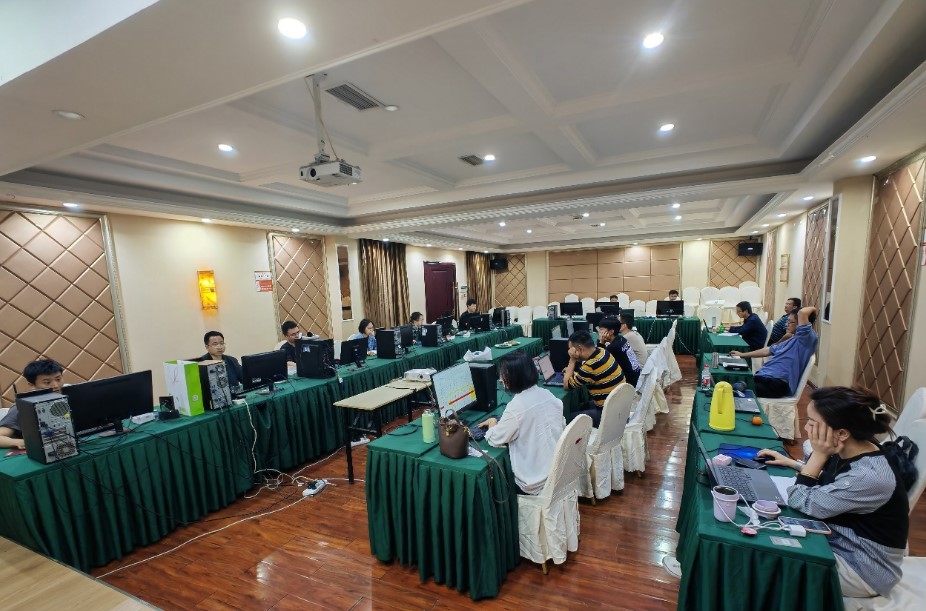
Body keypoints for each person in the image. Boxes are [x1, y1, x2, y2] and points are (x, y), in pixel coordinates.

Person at [757, 386, 908, 598]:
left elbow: (800, 500)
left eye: (812, 423)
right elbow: (834, 480)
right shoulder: (856, 447)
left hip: (862, 569)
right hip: (841, 542)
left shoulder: (868, 476)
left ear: (842, 433)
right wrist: (794, 464)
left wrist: (819, 455)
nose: (807, 427)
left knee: (767, 564)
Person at [479, 352, 565, 495]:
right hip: (559, 470)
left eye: (503, 375)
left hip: (536, 482)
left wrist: (492, 423)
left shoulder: (516, 407)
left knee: (494, 486)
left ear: (510, 378)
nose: (500, 379)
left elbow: (495, 439)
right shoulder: (547, 394)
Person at [730, 306, 817, 398]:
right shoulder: (792, 340)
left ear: (801, 324)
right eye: (787, 321)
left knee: (733, 391)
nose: (786, 325)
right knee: (730, 383)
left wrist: (814, 308)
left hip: (777, 383)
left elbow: (802, 312)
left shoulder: (806, 339)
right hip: (765, 377)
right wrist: (742, 355)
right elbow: (768, 350)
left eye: (791, 322)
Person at [1, 359, 65, 450]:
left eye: (58, 379)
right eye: (47, 382)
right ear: (32, 385)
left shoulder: (69, 396)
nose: (56, 385)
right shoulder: (21, 408)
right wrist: (20, 442)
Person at [563, 331, 623, 426]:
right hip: (619, 405)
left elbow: (566, 385)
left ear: (580, 349)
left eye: (571, 350)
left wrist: (572, 359)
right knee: (579, 406)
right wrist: (577, 374)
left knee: (566, 418)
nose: (570, 352)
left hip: (608, 414)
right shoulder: (603, 352)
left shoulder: (590, 366)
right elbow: (593, 375)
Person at [596, 317, 641, 387]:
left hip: (628, 384)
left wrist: (601, 342)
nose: (599, 332)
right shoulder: (621, 339)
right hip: (636, 377)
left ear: (611, 332)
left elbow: (598, 361)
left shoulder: (614, 347)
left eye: (601, 329)